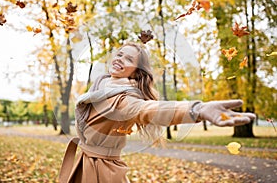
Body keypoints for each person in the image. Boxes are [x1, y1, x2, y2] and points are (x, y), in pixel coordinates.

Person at [59, 42, 256, 183]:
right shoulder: (100, 87)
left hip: (102, 173)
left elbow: (152, 110)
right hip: (85, 162)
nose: (120, 59)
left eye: (128, 59)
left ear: (136, 72)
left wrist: (198, 109)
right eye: (119, 54)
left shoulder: (125, 99)